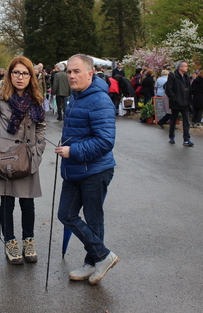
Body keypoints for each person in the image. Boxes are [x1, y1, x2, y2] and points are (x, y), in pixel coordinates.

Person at [56, 54, 119, 285]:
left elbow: (105, 141)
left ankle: (94, 260)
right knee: (66, 214)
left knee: (93, 219)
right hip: (74, 170)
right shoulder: (76, 97)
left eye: (76, 71)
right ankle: (101, 256)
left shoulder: (99, 100)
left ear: (90, 74)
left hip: (95, 170)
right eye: (69, 71)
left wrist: (72, 151)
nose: (71, 76)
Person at [0, 56, 47, 264]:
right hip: (5, 158)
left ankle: (29, 240)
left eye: (25, 73)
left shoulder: (36, 97)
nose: (20, 77)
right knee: (7, 202)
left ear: (31, 76)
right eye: (16, 72)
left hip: (28, 157)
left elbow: (42, 127)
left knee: (28, 203)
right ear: (9, 74)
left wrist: (38, 148)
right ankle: (10, 242)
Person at [165, 60, 194, 146]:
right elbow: (168, 89)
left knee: (186, 122)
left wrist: (189, 100)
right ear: (180, 67)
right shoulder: (173, 76)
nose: (186, 68)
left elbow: (188, 89)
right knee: (173, 120)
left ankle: (186, 139)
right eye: (185, 66)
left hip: (185, 102)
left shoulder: (186, 77)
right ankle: (171, 136)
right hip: (176, 103)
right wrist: (175, 98)